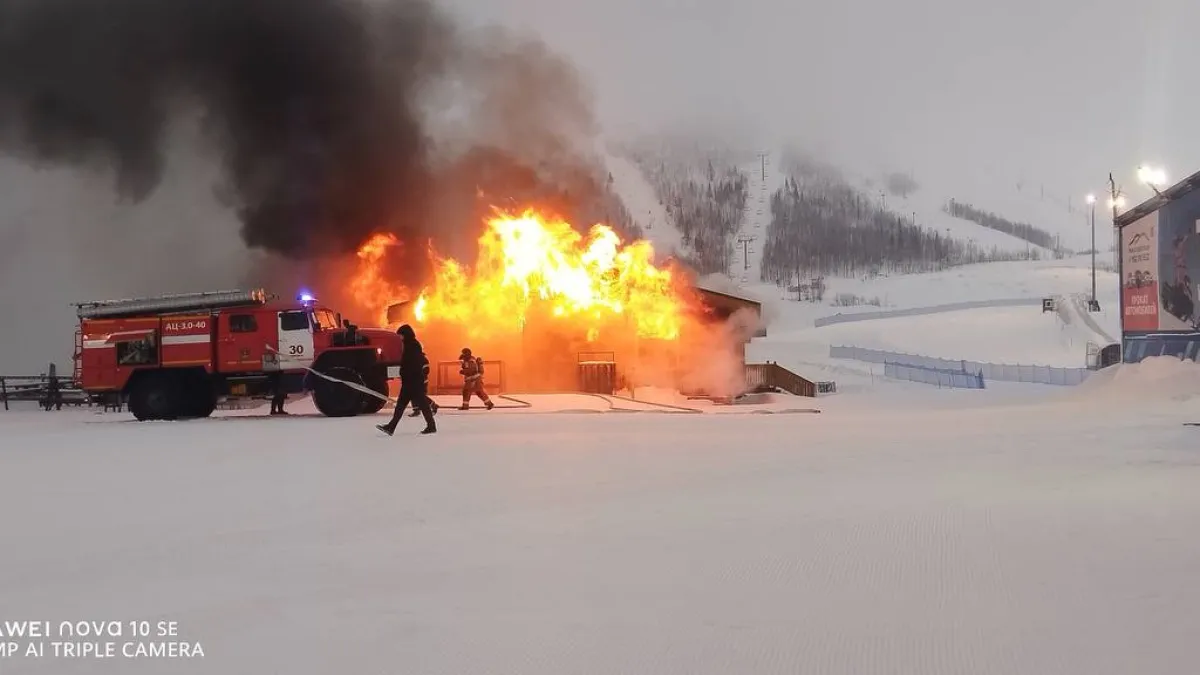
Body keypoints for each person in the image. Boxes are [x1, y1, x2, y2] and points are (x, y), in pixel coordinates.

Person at [376, 324, 436, 435]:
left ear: (405, 335)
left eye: (401, 335)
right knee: (404, 405)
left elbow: (412, 364)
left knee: (418, 404)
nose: (400, 338)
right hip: (410, 381)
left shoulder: (412, 346)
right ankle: (391, 427)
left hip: (413, 381)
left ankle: (431, 426)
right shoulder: (410, 345)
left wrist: (405, 373)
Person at [409, 352, 440, 417]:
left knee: (420, 395)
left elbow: (426, 370)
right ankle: (416, 410)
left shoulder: (423, 360)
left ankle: (433, 405)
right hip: (415, 380)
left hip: (421, 380)